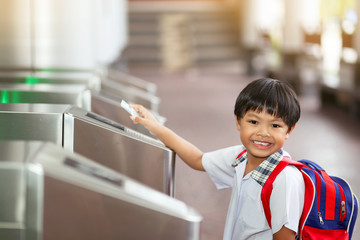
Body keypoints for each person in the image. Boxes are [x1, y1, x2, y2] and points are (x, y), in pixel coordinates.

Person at [130, 78, 305, 240]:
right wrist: (154, 126)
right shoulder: (241, 157)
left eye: (275, 125)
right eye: (253, 122)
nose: (263, 133)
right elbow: (198, 159)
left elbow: (285, 237)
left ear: (289, 130)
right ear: (238, 121)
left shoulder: (284, 179)